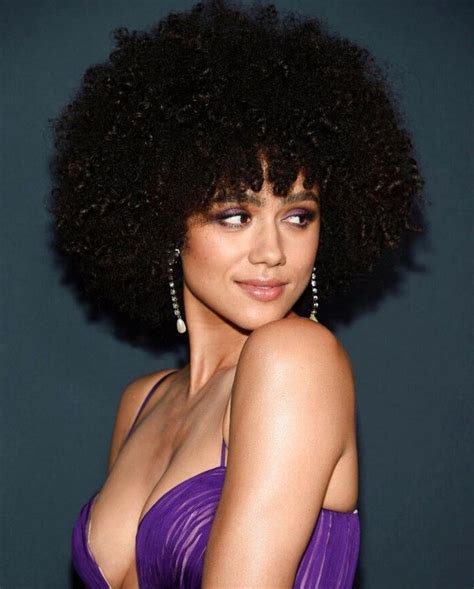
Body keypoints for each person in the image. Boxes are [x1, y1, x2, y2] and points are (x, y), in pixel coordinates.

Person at [48, 0, 425, 586]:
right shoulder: (143, 400)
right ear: (163, 220)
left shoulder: (295, 358)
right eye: (233, 215)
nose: (272, 251)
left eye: (298, 216)